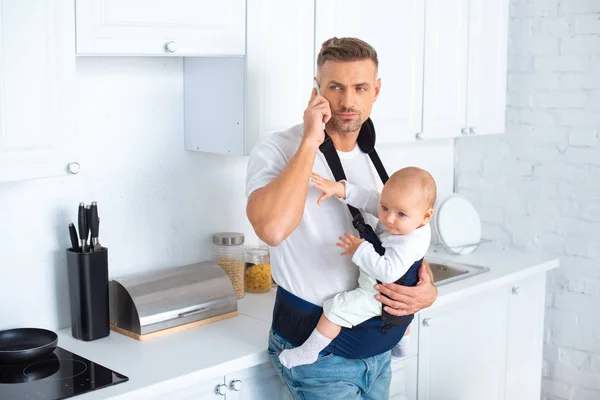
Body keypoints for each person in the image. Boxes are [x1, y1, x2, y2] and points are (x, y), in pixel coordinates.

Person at [245, 37, 437, 399]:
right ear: (317, 90)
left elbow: (402, 234)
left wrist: (426, 291)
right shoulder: (277, 149)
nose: (348, 101)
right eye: (336, 87)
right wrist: (309, 141)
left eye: (360, 88)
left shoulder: (375, 156)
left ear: (376, 91)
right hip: (320, 355)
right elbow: (271, 230)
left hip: (379, 347)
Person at [278, 167, 436, 369]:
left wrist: (360, 249)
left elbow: (388, 272)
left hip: (378, 292)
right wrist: (340, 189)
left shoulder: (406, 242)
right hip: (401, 290)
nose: (388, 219)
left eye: (401, 214)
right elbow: (369, 199)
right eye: (385, 208)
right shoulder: (413, 219)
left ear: (426, 216)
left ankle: (308, 352)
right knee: (402, 315)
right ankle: (402, 346)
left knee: (336, 309)